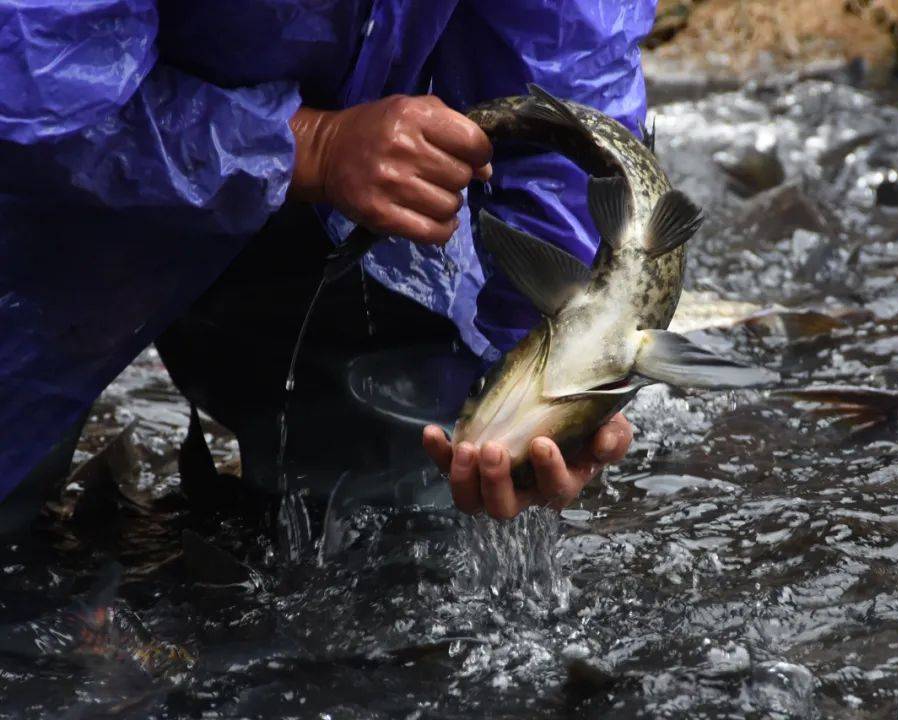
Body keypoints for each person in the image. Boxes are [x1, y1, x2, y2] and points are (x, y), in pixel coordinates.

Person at [0, 0, 654, 529]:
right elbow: (32, 86)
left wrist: (558, 353)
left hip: (346, 175)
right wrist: (307, 147)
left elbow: (568, 68)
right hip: (37, 196)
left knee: (407, 531)